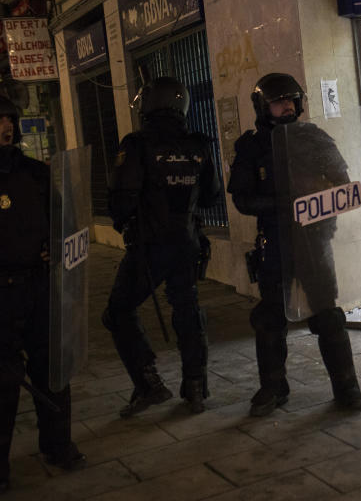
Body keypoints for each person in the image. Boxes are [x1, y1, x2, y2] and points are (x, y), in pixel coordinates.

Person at [228, 72, 361, 417]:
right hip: (275, 243)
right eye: (278, 102)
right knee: (271, 318)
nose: (286, 106)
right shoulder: (251, 147)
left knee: (328, 315)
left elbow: (342, 184)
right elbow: (242, 199)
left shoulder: (313, 137)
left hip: (314, 241)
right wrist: (282, 205)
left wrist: (315, 203)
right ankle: (273, 387)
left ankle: (347, 386)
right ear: (263, 107)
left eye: (291, 100)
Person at [103, 77, 221, 416]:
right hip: (186, 243)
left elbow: (121, 199)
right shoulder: (197, 145)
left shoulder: (137, 145)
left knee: (118, 310)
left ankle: (148, 383)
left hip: (149, 248)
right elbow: (212, 197)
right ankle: (196, 387)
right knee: (187, 311)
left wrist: (125, 219)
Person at [0, 95, 85, 493]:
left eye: (9, 119)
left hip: (38, 287)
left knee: (52, 370)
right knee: (3, 380)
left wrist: (57, 240)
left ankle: (58, 445)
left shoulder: (35, 172)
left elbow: (62, 219)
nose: (5, 126)